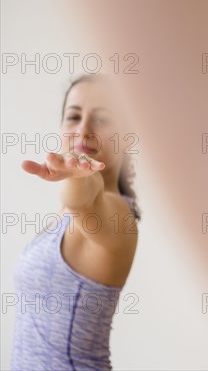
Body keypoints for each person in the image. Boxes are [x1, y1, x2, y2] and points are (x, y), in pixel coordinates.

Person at [11, 74, 140, 370]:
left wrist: (80, 177)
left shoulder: (117, 213)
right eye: (74, 116)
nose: (84, 129)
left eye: (103, 119)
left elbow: (84, 198)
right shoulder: (65, 216)